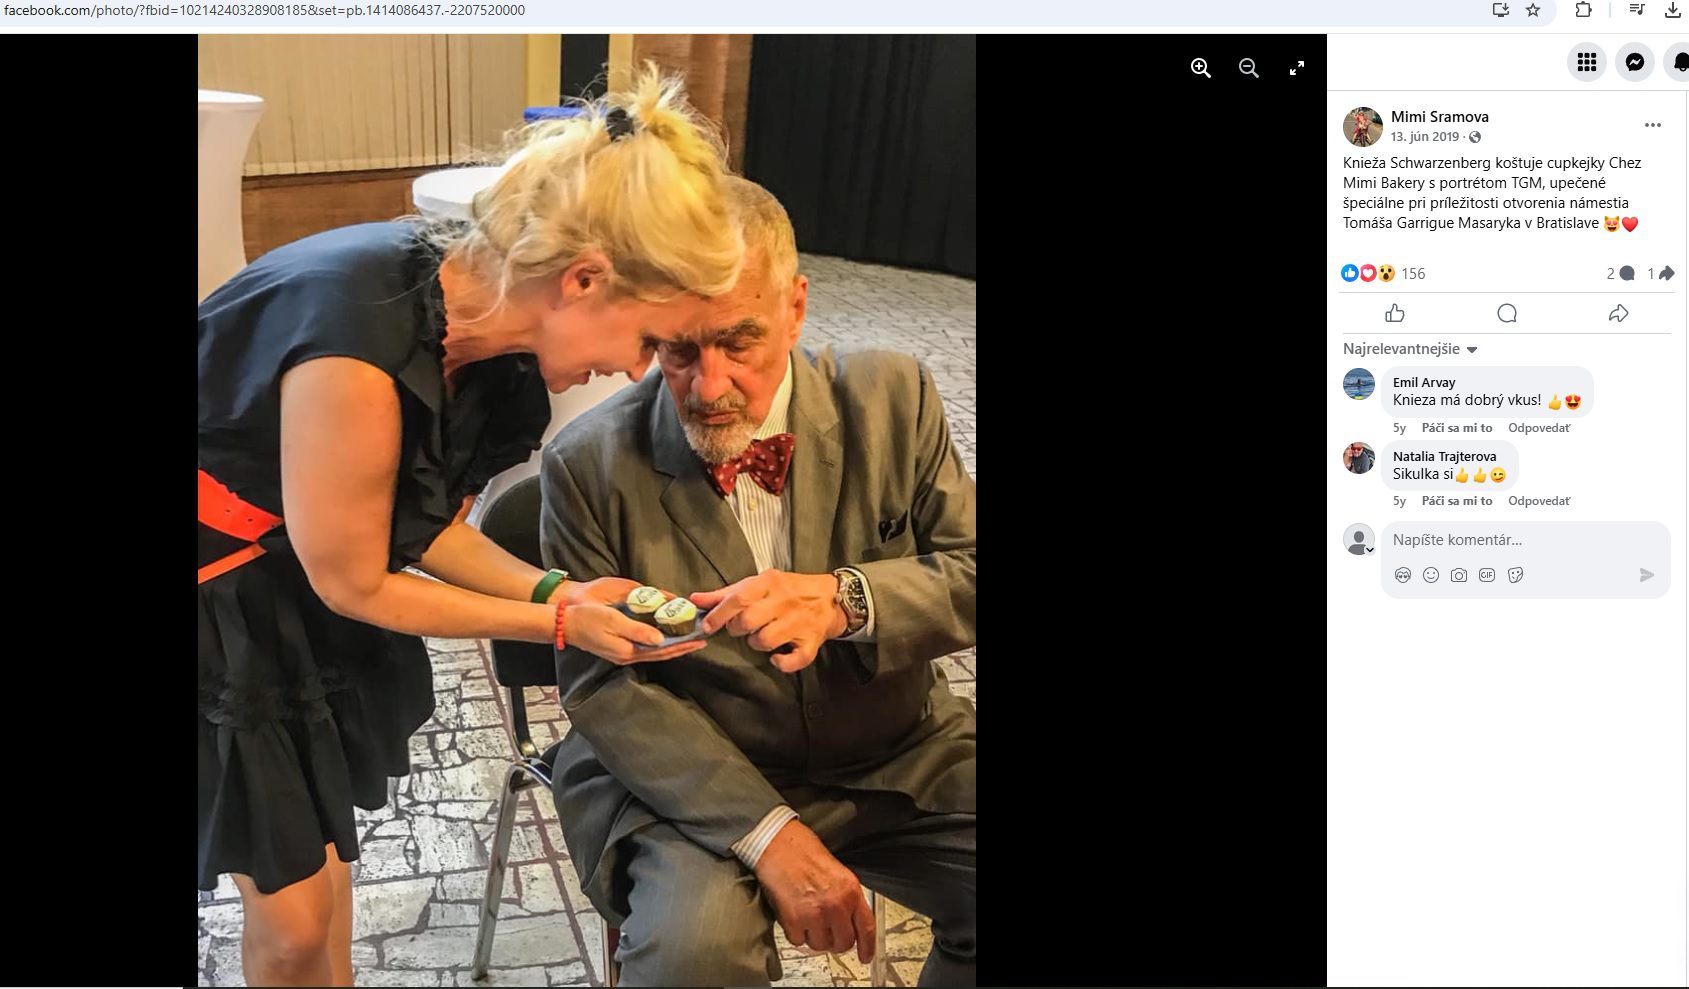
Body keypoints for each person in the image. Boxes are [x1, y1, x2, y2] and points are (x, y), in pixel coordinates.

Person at [198, 68, 740, 986]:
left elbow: (420, 528)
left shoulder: (484, 329)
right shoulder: (356, 343)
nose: (638, 370)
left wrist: (559, 588)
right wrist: (560, 621)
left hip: (286, 569)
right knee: (290, 924)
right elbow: (356, 582)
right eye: (649, 338)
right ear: (582, 279)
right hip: (220, 594)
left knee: (321, 877)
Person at [539, 177, 977, 986]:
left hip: (898, 754)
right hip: (696, 781)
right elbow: (604, 687)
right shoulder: (586, 465)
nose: (709, 389)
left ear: (795, 307)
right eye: (678, 350)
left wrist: (848, 600)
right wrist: (769, 831)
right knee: (691, 955)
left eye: (739, 342)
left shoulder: (894, 397)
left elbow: (969, 571)